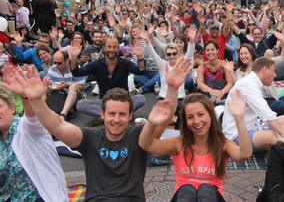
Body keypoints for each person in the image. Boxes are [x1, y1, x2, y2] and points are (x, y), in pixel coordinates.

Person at [3, 62, 186, 200]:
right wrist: (35, 100)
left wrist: (172, 88)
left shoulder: (139, 136)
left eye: (122, 114)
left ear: (130, 116)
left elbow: (164, 116)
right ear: (102, 114)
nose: (116, 119)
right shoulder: (90, 137)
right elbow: (56, 126)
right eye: (112, 113)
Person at [139, 87, 250, 201]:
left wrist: (239, 119)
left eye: (201, 114)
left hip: (212, 197)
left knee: (206, 189)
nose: (196, 121)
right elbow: (146, 144)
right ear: (186, 121)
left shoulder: (223, 144)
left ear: (211, 115)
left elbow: (244, 154)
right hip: (183, 197)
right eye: (190, 117)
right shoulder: (178, 143)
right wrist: (151, 123)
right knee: (186, 189)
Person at [0, 82, 67, 202]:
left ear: (12, 108)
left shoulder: (26, 127)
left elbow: (33, 119)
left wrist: (24, 96)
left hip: (38, 197)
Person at [69, 37, 148, 119]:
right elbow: (76, 73)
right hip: (104, 101)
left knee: (140, 98)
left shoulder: (125, 63)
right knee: (80, 104)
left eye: (114, 47)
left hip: (123, 100)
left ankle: (108, 115)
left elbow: (140, 71)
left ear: (118, 49)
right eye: (109, 47)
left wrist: (140, 57)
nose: (112, 49)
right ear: (104, 48)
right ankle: (121, 114)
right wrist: (74, 57)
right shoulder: (96, 64)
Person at [220, 57, 284, 151]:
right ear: (265, 70)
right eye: (273, 71)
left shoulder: (251, 81)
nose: (275, 75)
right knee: (273, 137)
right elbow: (267, 114)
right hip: (237, 136)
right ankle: (275, 150)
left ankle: (267, 145)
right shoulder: (249, 83)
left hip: (254, 127)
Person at [44, 49, 85, 120]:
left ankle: (63, 114)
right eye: (55, 62)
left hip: (75, 97)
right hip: (58, 95)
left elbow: (82, 87)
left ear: (67, 60)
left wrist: (67, 86)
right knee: (43, 88)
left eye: (59, 63)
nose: (56, 65)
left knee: (73, 86)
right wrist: (46, 84)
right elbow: (49, 87)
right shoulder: (52, 69)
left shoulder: (76, 69)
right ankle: (40, 111)